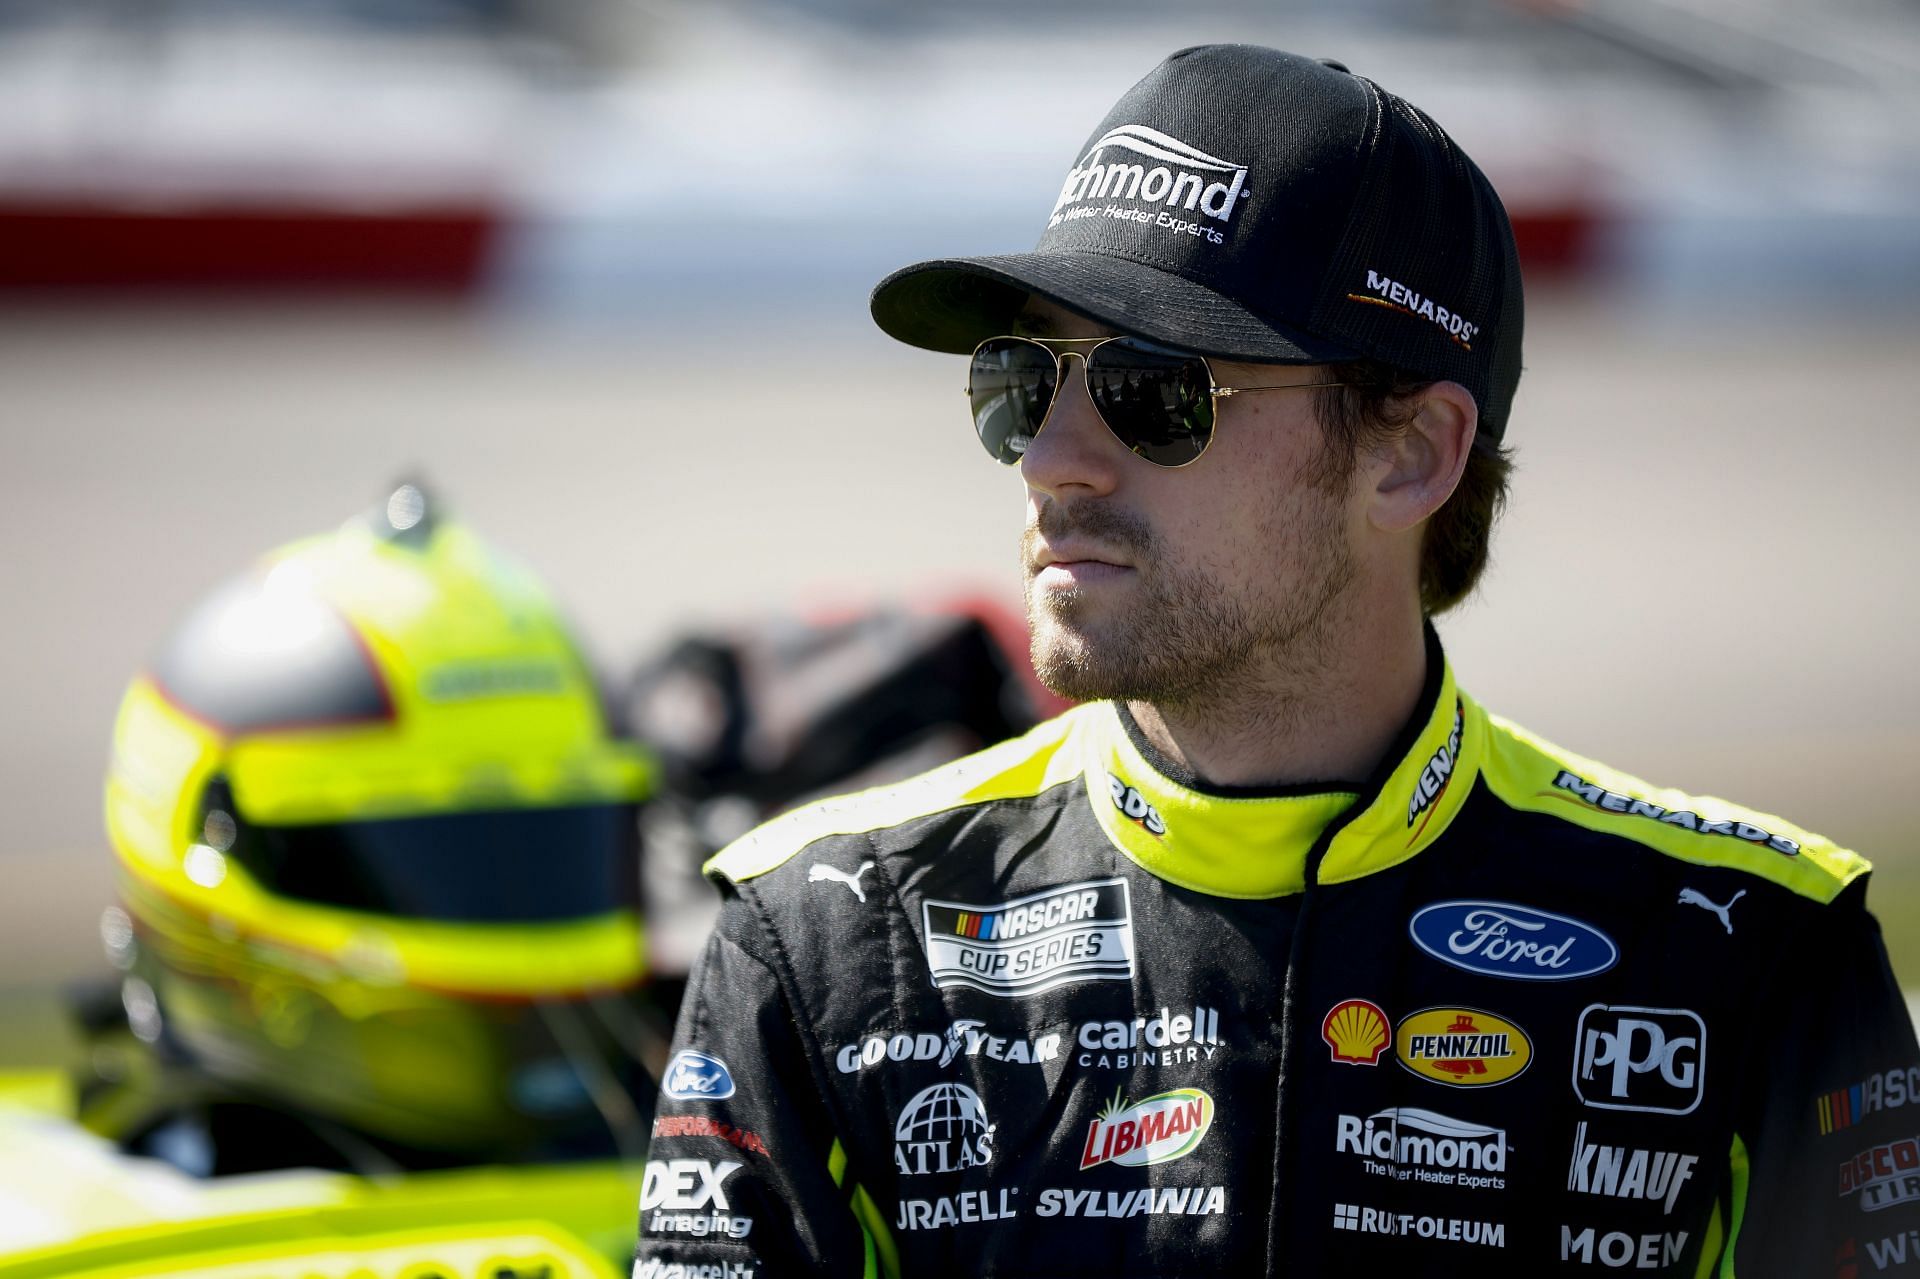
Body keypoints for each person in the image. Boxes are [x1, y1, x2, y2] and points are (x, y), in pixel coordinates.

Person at [632, 46, 1919, 1277]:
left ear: (1409, 454)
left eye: (1156, 387)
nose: (1051, 458)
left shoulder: (1762, 950)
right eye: (1022, 378)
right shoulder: (820, 937)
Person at [6, 484, 659, 1274]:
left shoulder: (730, 1151)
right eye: (430, 854)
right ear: (215, 847)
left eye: (552, 846)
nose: (512, 910)